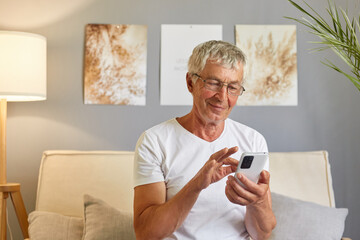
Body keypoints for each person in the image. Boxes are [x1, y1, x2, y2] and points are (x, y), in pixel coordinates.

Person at [133, 40, 276, 240]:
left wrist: (257, 202)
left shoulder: (253, 140)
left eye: (233, 87)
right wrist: (197, 184)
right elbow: (145, 233)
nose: (222, 97)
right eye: (213, 83)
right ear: (191, 83)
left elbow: (263, 234)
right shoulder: (155, 141)